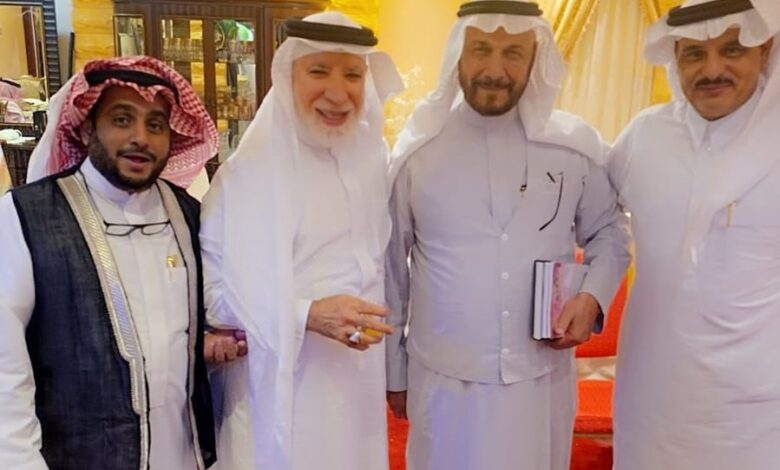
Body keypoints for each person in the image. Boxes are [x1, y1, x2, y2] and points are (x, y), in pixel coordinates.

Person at [385, 1, 631, 469]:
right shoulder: (419, 153)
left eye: (513, 53)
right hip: (444, 380)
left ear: (536, 58)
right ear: (458, 54)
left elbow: (610, 233)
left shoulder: (572, 147)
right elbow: (391, 269)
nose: (495, 70)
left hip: (538, 381)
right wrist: (394, 372)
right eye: (481, 49)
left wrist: (592, 297)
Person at [200, 12, 403, 470]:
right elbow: (214, 299)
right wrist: (307, 314)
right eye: (318, 71)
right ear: (288, 76)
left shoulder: (372, 162)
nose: (338, 92)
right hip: (277, 389)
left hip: (356, 386)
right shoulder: (246, 175)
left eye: (352, 75)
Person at [0, 56, 220, 469]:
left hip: (182, 456)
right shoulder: (26, 217)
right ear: (87, 128)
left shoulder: (190, 215)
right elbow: (4, 370)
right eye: (122, 119)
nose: (141, 138)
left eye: (156, 125)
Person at [609, 1, 780, 468]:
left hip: (758, 413)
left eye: (732, 50)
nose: (712, 69)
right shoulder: (644, 136)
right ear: (674, 57)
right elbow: (592, 219)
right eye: (694, 54)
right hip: (653, 403)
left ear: (765, 49)